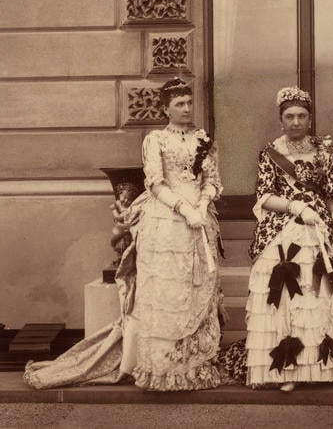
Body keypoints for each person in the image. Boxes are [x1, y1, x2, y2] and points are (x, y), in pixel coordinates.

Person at [24, 78, 225, 391]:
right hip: (166, 219)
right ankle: (162, 369)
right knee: (166, 292)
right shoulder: (156, 139)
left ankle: (193, 367)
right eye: (179, 104)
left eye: (188, 102)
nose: (186, 108)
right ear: (165, 109)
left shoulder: (202, 138)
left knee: (195, 288)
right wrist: (184, 209)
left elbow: (212, 179)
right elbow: (155, 183)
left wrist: (202, 202)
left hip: (200, 220)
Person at [244, 86, 333, 392]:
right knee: (285, 297)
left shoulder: (325, 152)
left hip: (317, 231)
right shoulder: (270, 153)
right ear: (281, 120)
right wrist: (295, 206)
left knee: (317, 297)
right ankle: (286, 369)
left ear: (309, 119)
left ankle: (321, 369)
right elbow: (264, 197)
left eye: (301, 116)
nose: (295, 121)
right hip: (283, 230)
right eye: (289, 116)